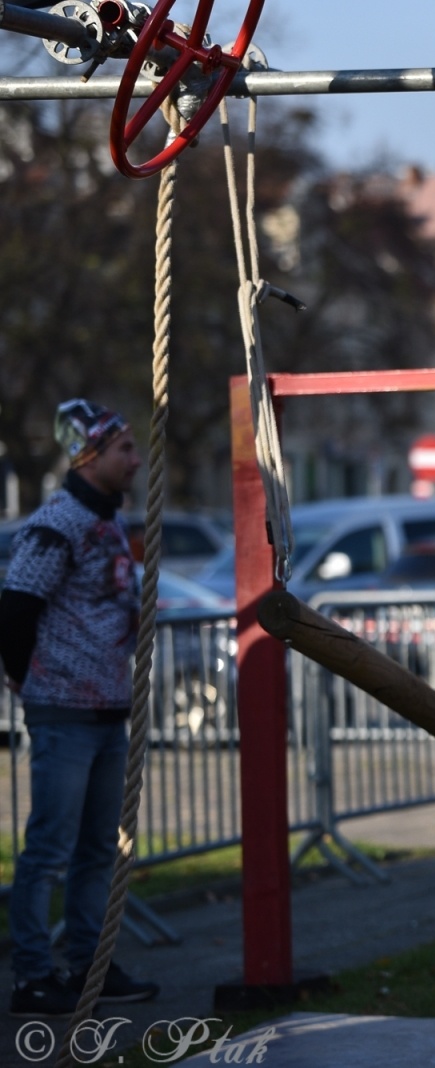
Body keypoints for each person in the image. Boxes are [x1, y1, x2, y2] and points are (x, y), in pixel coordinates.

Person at [0, 400, 160, 1017]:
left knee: (100, 847)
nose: (136, 458)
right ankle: (32, 975)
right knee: (49, 848)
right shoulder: (57, 524)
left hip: (105, 712)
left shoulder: (106, 519)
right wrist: (24, 677)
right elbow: (14, 610)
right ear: (90, 456)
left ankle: (92, 963)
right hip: (64, 710)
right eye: (124, 448)